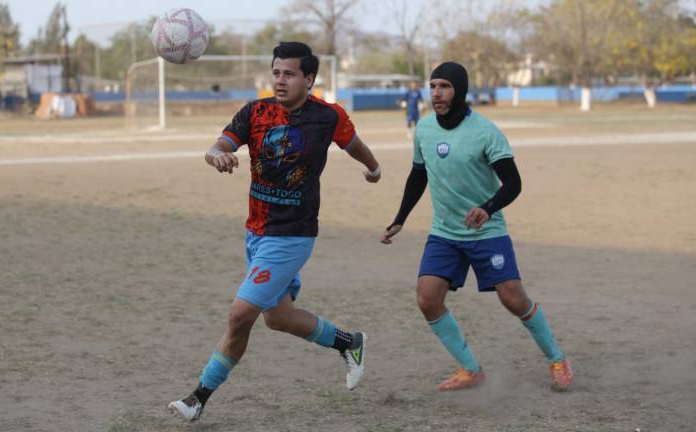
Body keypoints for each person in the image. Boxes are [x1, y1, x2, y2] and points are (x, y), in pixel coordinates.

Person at [168, 42, 382, 422]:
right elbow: (219, 144)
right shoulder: (256, 111)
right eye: (276, 72)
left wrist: (374, 168)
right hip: (257, 231)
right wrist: (216, 154)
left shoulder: (327, 117)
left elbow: (354, 145)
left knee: (240, 316)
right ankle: (350, 342)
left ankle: (198, 397)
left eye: (289, 74)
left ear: (309, 79)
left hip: (292, 235)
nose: (280, 81)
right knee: (279, 317)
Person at [381, 62, 573, 392]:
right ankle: (471, 369)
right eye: (433, 86)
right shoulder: (425, 130)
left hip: (487, 231)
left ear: (460, 90)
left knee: (513, 299)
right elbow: (418, 175)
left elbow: (513, 183)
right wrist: (400, 218)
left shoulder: (485, 131)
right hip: (445, 233)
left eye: (444, 86)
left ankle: (557, 359)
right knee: (427, 299)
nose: (436, 93)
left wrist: (487, 208)